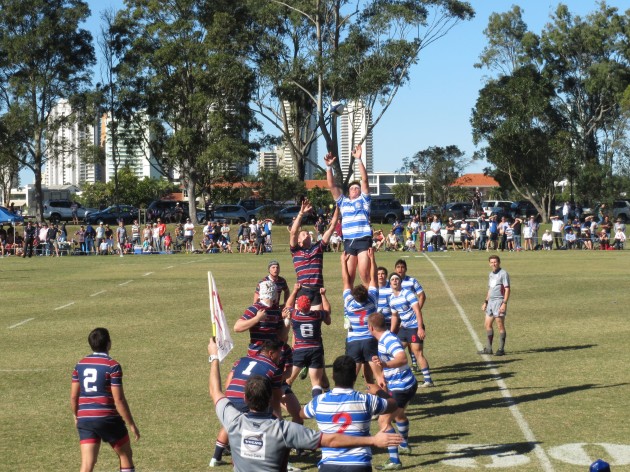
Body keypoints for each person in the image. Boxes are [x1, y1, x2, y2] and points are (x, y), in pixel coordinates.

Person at [208, 339, 402, 472]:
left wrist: (214, 357)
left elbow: (216, 391)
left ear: (246, 399)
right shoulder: (283, 430)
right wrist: (372, 441)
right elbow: (331, 441)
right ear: (270, 399)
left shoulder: (233, 420)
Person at [300, 355, 400, 471]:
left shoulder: (318, 402)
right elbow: (393, 404)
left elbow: (302, 414)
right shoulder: (366, 400)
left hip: (329, 466)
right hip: (359, 465)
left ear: (333, 377)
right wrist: (379, 391)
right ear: (354, 377)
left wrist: (316, 391)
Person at [71, 328, 140, 472]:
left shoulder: (80, 365)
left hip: (85, 419)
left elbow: (73, 396)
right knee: (125, 454)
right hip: (107, 418)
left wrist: (76, 415)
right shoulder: (112, 366)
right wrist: (131, 424)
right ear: (109, 343)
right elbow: (119, 399)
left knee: (87, 464)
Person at [210, 340, 285, 467]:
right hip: (248, 399)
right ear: (271, 353)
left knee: (229, 424)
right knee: (265, 424)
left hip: (230, 396)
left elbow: (228, 383)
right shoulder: (274, 369)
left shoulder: (241, 360)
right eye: (279, 353)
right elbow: (276, 397)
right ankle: (280, 460)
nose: (281, 357)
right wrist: (278, 417)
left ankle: (215, 458)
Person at [368, 312, 418, 470]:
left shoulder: (388, 340)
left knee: (383, 421)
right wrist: (383, 374)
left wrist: (385, 365)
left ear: (370, 327)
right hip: (406, 384)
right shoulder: (385, 338)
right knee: (399, 415)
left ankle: (394, 461)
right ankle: (404, 445)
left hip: (401, 387)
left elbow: (402, 358)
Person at [324, 145, 372, 286]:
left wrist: (358, 159)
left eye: (357, 188)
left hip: (363, 239)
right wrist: (329, 167)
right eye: (352, 188)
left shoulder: (364, 200)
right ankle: (349, 303)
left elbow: (365, 179)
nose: (354, 189)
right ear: (348, 192)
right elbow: (332, 186)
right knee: (348, 276)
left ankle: (371, 302)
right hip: (349, 241)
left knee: (364, 273)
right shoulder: (343, 202)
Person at [289, 199, 339, 310]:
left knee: (316, 322)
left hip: (317, 290)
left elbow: (332, 227)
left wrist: (338, 207)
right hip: (302, 289)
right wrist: (301, 213)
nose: (306, 234)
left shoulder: (318, 247)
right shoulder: (295, 251)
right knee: (300, 320)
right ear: (299, 241)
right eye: (302, 234)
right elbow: (293, 232)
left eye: (307, 233)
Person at [283, 284, 331, 396]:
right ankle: (317, 409)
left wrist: (295, 290)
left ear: (298, 307)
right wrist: (323, 295)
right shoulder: (317, 315)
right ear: (310, 306)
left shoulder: (295, 315)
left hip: (299, 351)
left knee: (288, 381)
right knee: (316, 384)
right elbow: (327, 311)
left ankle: (287, 403)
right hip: (316, 350)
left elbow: (288, 305)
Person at [388, 272, 433, 387]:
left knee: (418, 353)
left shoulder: (408, 294)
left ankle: (428, 380)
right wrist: (392, 333)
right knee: (395, 351)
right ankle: (399, 377)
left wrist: (420, 328)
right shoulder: (392, 299)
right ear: (390, 283)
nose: (394, 281)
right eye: (392, 279)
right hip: (403, 328)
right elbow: (394, 316)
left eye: (396, 279)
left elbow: (417, 311)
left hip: (414, 328)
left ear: (400, 282)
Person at [341, 248, 379, 384]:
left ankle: (348, 401)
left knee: (350, 379)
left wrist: (343, 263)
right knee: (378, 377)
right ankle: (382, 401)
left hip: (353, 341)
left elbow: (346, 281)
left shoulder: (349, 303)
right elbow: (373, 278)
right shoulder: (372, 301)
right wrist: (372, 259)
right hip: (369, 339)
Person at [478, 255, 510, 356]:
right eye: (491, 262)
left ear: (499, 262)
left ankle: (501, 349)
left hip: (499, 302)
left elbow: (507, 289)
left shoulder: (503, 274)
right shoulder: (491, 274)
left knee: (500, 325)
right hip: (491, 302)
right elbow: (490, 289)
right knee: (487, 325)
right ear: (489, 264)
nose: (493, 264)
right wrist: (486, 302)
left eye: (495, 262)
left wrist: (504, 303)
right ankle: (489, 348)